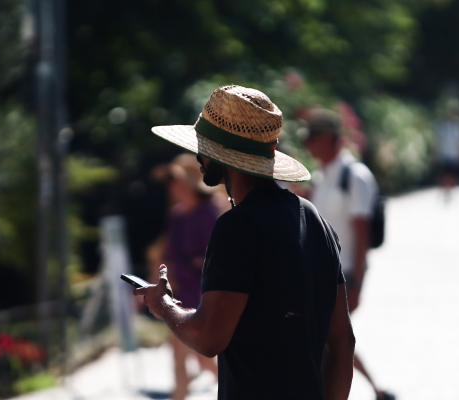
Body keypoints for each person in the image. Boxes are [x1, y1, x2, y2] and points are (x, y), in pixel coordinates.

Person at [134, 85, 355, 400]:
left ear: (221, 153)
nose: (198, 156)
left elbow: (209, 337)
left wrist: (164, 306)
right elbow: (342, 341)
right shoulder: (314, 219)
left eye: (203, 146)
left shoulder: (237, 228)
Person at [304, 109, 395, 400]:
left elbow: (361, 231)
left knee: (327, 340)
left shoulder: (355, 176)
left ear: (333, 140)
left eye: (315, 138)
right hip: (321, 272)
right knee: (328, 340)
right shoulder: (322, 176)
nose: (309, 145)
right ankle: (376, 390)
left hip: (343, 275)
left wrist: (357, 281)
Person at [157, 153, 221, 400]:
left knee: (202, 357)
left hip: (204, 294)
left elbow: (215, 258)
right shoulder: (176, 216)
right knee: (180, 355)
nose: (172, 186)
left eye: (176, 180)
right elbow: (168, 256)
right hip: (181, 293)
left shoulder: (209, 212)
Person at [435, 100, 459, 201]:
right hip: (445, 153)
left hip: (457, 154)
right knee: (446, 173)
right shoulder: (442, 126)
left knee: (454, 174)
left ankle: (451, 189)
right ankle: (446, 190)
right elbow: (438, 140)